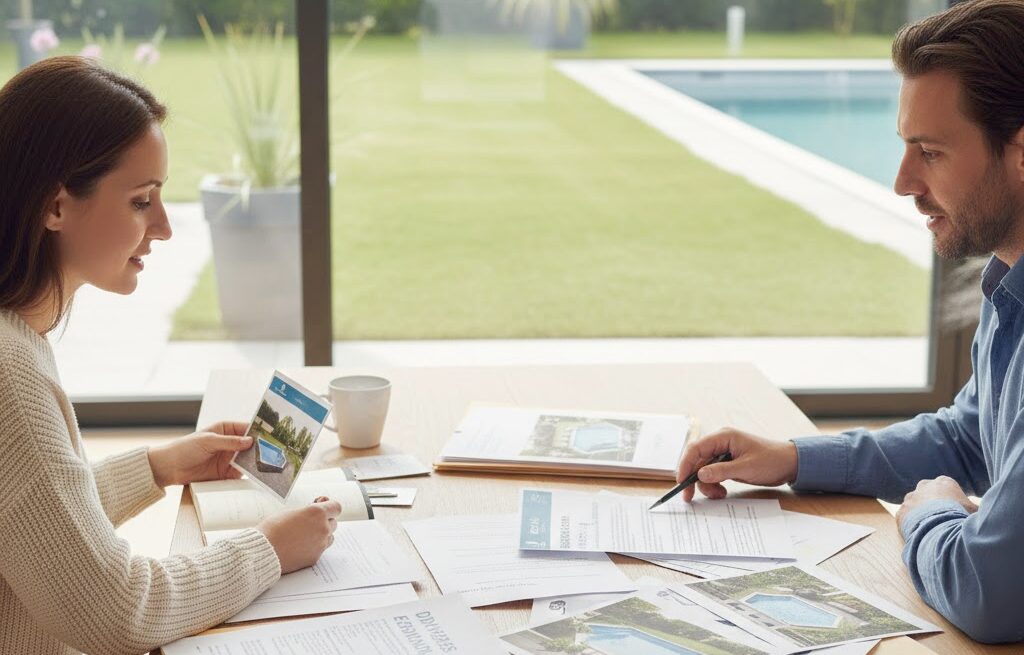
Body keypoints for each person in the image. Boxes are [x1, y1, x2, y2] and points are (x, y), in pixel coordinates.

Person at [675, 0, 1024, 644]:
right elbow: (970, 439)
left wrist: (929, 513)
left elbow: (987, 591)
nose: (903, 182)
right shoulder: (1012, 285)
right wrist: (792, 459)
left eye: (930, 152)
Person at [0, 57, 342, 654]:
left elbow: (34, 522)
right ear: (55, 208)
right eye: (141, 201)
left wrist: (157, 467)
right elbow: (115, 612)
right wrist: (270, 548)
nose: (163, 227)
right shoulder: (10, 375)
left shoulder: (15, 339)